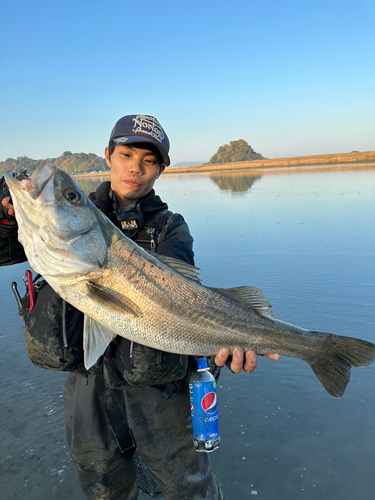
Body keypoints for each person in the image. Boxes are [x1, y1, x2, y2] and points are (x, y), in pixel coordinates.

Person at [0, 114, 280, 500]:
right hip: (88, 389)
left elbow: (183, 294)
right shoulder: (56, 227)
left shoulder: (170, 227)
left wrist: (226, 342)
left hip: (160, 390)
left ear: (161, 169)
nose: (135, 167)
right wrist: (6, 217)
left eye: (148, 160)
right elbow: (6, 249)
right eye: (127, 154)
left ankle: (317, 349)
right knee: (104, 489)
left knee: (186, 487)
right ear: (108, 156)